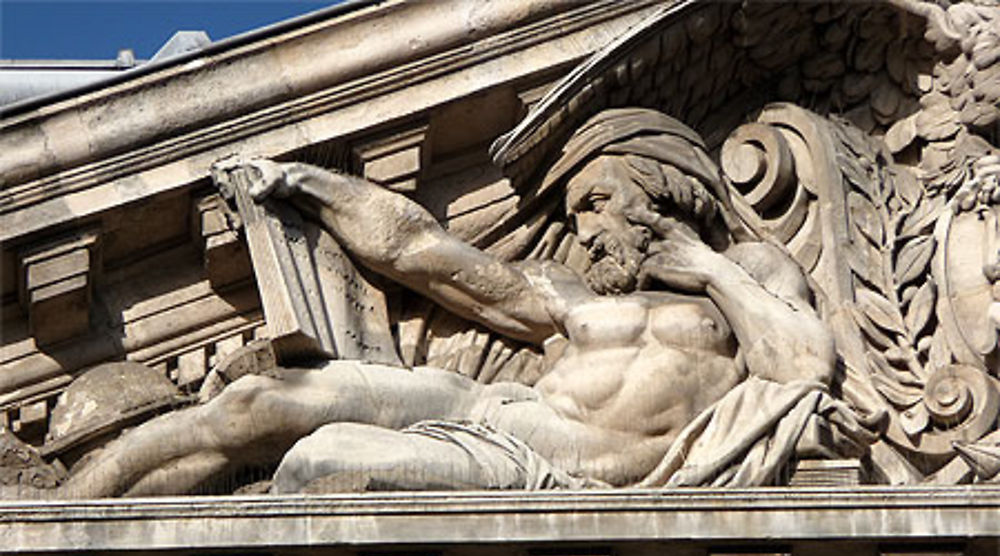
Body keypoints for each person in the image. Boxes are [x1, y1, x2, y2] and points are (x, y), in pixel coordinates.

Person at [60, 108, 846, 498]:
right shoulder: (566, 293)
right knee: (253, 403)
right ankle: (57, 515)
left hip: (550, 466)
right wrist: (305, 182)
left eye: (595, 203)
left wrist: (705, 266)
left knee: (320, 461)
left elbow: (804, 366)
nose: (582, 227)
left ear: (653, 187)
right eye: (574, 213)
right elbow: (427, 256)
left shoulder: (749, 271)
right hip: (490, 408)